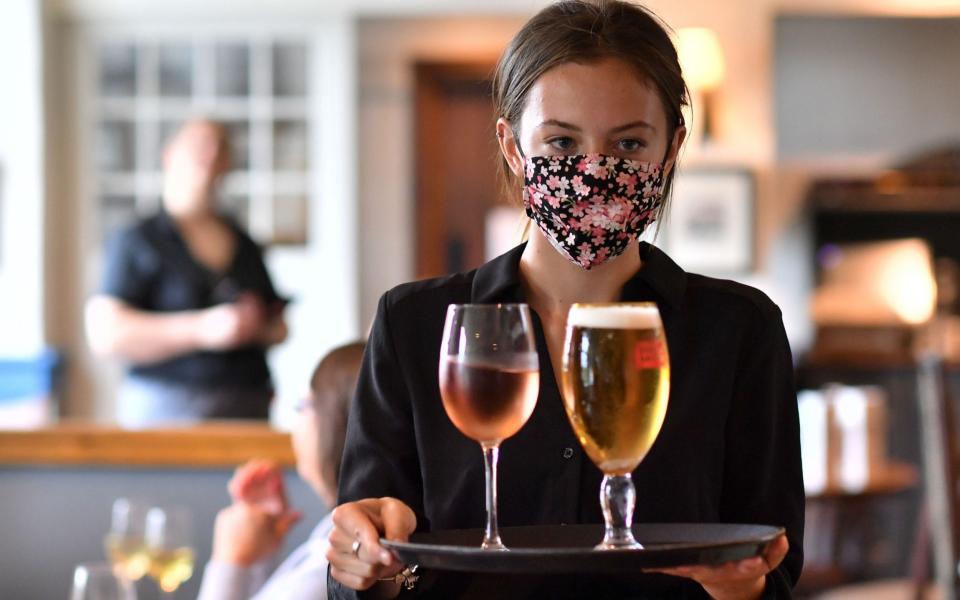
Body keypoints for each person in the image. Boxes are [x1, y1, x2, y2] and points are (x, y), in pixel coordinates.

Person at [328, 1, 804, 599]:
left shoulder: (739, 331)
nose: (593, 170)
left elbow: (777, 575)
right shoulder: (415, 326)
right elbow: (362, 573)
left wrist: (740, 585)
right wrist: (364, 562)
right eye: (560, 141)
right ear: (512, 147)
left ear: (672, 148)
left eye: (629, 144)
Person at [85, 119, 288, 426]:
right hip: (167, 408)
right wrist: (202, 329)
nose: (210, 153)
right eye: (199, 144)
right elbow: (106, 334)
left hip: (247, 407)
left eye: (220, 147)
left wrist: (255, 326)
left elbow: (278, 327)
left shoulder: (244, 243)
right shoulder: (138, 239)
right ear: (170, 155)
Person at [197, 341, 366, 600]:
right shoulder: (335, 540)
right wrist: (257, 559)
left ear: (339, 423)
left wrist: (230, 562)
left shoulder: (336, 567)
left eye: (303, 405)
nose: (296, 421)